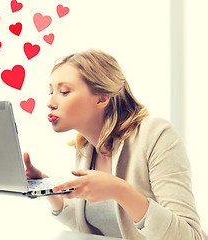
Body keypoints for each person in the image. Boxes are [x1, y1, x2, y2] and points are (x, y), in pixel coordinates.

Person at [23, 49, 208, 239]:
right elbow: (95, 228)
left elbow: (190, 236)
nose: (50, 102)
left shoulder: (156, 134)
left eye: (64, 92)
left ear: (102, 98)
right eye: (50, 91)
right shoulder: (86, 148)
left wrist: (118, 190)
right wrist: (48, 189)